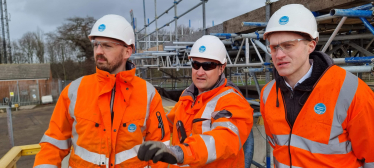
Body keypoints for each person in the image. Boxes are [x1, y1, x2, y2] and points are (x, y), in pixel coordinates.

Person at [34, 14, 170, 168]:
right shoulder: (74, 91)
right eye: (96, 44)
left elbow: (159, 152)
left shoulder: (148, 94)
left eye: (107, 46)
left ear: (127, 51)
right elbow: (53, 144)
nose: (99, 51)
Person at [260, 4, 374, 168]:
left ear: (311, 45)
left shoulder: (352, 92)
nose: (279, 55)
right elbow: (278, 145)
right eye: (274, 47)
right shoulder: (268, 93)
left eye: (288, 45)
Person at [137, 35, 254, 167]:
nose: (200, 72)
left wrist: (181, 152)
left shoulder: (232, 101)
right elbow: (165, 123)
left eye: (208, 66)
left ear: (221, 68)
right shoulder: (188, 97)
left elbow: (223, 140)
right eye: (196, 64)